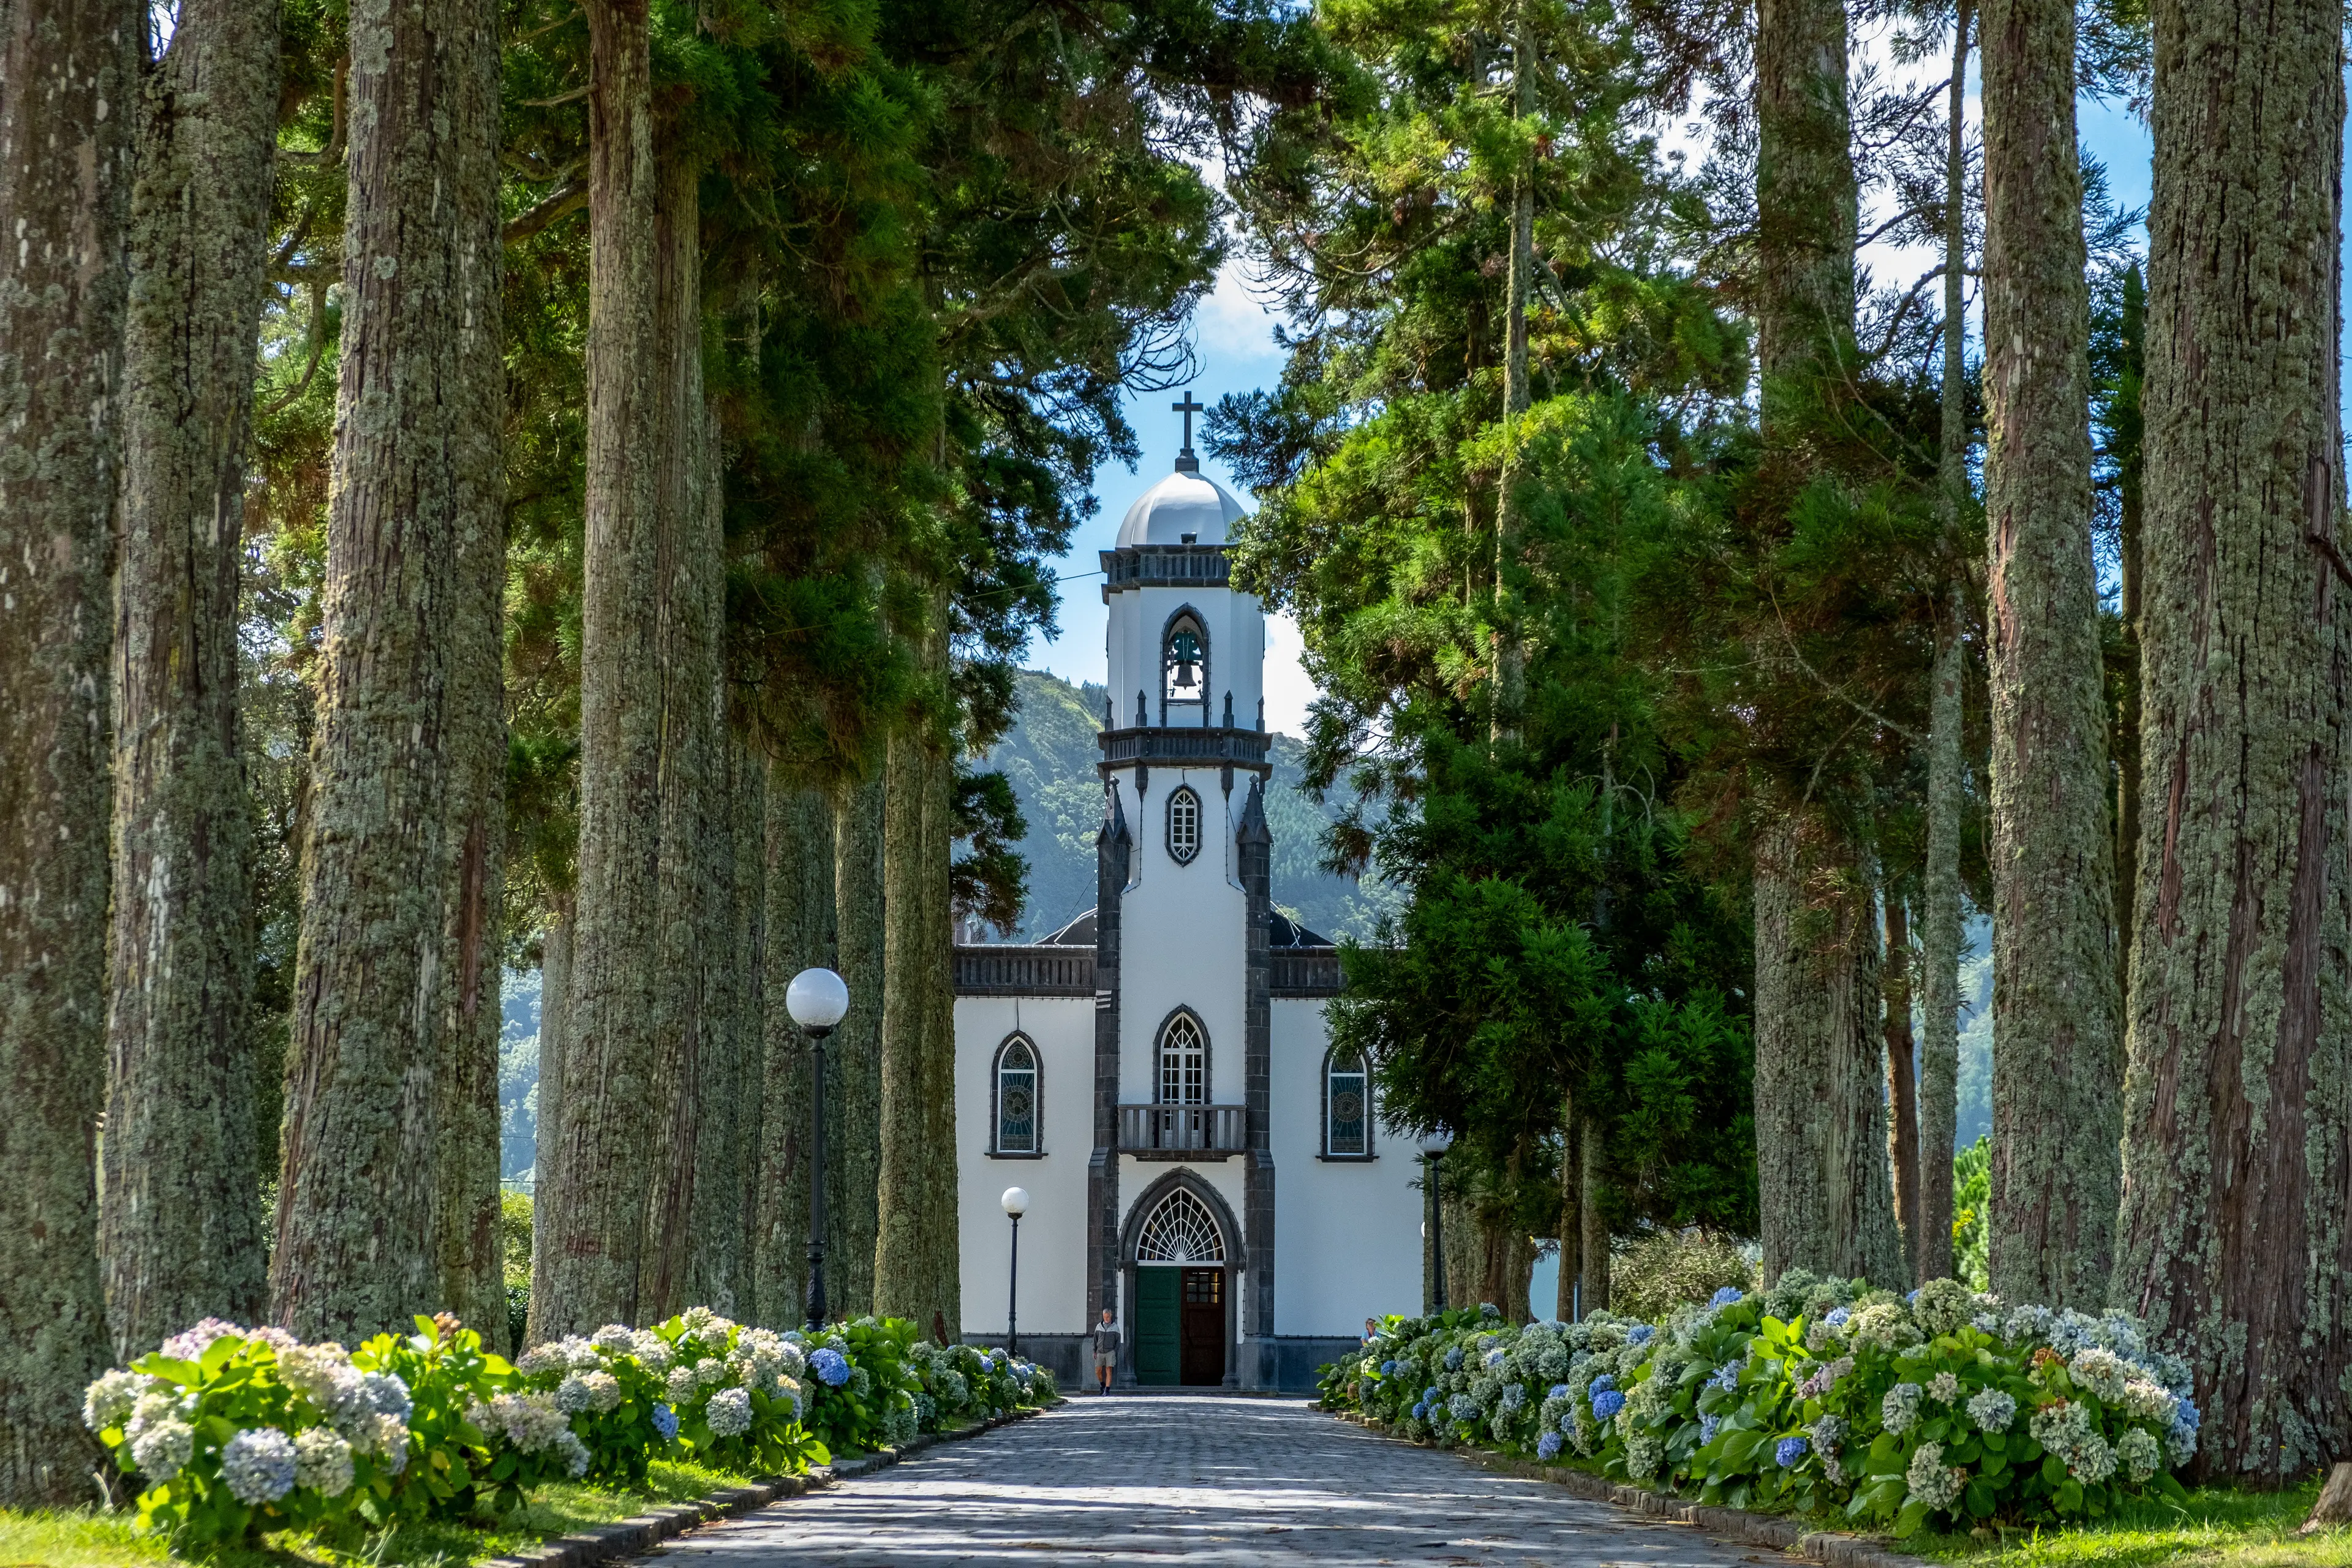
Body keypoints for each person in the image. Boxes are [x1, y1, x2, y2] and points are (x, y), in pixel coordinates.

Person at [1093, 1307, 1120, 1394]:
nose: (1106, 1319)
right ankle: (1102, 1384)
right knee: (1098, 1370)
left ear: (1111, 1316)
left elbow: (1118, 1341)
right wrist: (1094, 1350)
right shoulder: (1099, 1326)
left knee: (1109, 1370)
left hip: (1110, 1351)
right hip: (1100, 1351)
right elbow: (1095, 1339)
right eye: (1104, 1317)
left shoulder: (1115, 1327)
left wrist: (1115, 1351)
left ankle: (1107, 1390)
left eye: (1108, 1317)